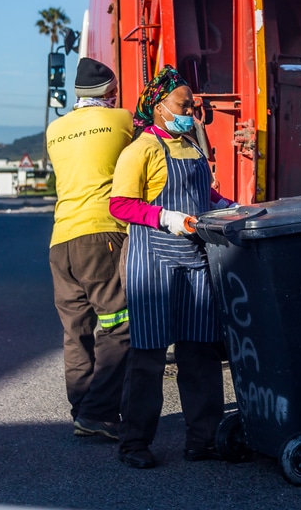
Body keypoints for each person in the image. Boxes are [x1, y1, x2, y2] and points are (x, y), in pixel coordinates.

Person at [109, 65, 235, 469]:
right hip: (153, 264)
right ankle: (134, 444)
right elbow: (121, 204)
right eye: (184, 106)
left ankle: (204, 440)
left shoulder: (192, 146)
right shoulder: (141, 148)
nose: (191, 114)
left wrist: (231, 209)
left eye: (193, 107)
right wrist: (170, 219)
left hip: (194, 261)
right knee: (147, 358)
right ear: (160, 106)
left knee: (200, 354)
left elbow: (205, 194)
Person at [46, 58, 133, 440]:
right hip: (101, 236)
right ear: (109, 93)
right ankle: (98, 413)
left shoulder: (54, 130)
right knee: (119, 325)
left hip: (60, 240)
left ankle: (82, 410)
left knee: (75, 331)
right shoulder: (120, 120)